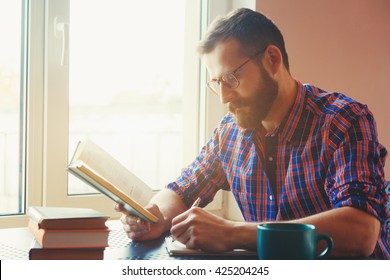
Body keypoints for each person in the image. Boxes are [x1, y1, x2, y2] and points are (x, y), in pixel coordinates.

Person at [116, 8, 389, 259]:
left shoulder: (344, 120)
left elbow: (361, 231)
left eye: (231, 79)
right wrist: (154, 217)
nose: (223, 97)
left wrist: (232, 233)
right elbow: (180, 191)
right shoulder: (230, 133)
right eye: (216, 83)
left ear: (272, 60)